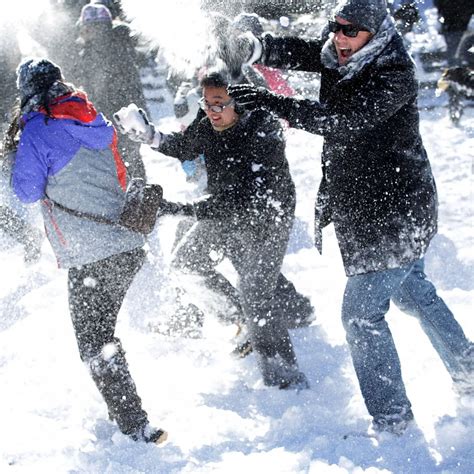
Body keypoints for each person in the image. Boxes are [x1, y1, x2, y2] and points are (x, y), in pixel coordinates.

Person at [228, 0, 474, 434]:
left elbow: (343, 121)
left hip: (396, 208)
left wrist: (275, 102)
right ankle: (470, 373)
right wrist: (255, 48)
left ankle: (393, 418)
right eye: (335, 27)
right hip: (368, 205)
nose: (339, 38)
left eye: (350, 31)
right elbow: (304, 52)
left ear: (374, 34)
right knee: (413, 292)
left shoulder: (394, 72)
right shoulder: (338, 52)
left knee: (361, 314)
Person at [116, 71, 309, 390]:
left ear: (240, 101)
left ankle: (285, 378)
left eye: (219, 103)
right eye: (207, 103)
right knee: (186, 263)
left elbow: (245, 198)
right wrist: (150, 136)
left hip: (268, 215)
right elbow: (186, 145)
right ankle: (241, 318)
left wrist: (181, 210)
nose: (211, 111)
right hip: (224, 207)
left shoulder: (263, 128)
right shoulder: (208, 123)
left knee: (255, 290)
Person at [10, 58, 166, 444]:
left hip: (92, 253)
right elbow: (121, 175)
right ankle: (127, 413)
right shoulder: (94, 120)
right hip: (126, 244)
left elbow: (26, 191)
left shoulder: (37, 132)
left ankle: (134, 425)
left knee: (94, 342)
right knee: (101, 334)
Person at [75, 3, 148, 180]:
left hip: (113, 113)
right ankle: (142, 198)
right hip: (127, 110)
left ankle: (135, 198)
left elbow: (100, 86)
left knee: (121, 161)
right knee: (131, 160)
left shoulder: (97, 51)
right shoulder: (116, 44)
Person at [433, 0, 474, 66]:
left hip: (455, 22)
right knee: (456, 51)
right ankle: (456, 68)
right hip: (456, 23)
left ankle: (456, 68)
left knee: (455, 50)